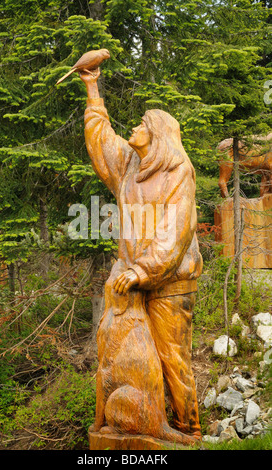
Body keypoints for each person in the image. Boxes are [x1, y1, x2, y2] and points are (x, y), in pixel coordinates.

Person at [80, 68, 203, 440]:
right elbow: (101, 140)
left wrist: (142, 270)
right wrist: (92, 89)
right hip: (133, 277)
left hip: (171, 281)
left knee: (171, 358)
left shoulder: (179, 171)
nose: (133, 128)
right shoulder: (129, 164)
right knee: (129, 358)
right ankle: (137, 425)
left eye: (141, 124)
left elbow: (175, 231)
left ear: (158, 134)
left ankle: (187, 429)